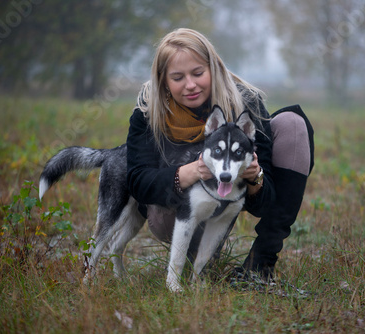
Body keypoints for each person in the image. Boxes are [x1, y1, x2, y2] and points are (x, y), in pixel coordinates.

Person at [126, 28, 314, 281]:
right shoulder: (148, 111)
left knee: (292, 123)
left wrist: (255, 176)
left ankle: (262, 262)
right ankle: (197, 254)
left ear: (213, 69)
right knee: (178, 231)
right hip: (177, 207)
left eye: (198, 73)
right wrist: (191, 172)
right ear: (164, 81)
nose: (190, 85)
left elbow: (264, 202)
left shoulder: (247, 102)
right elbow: (138, 181)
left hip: (236, 194)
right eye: (178, 77)